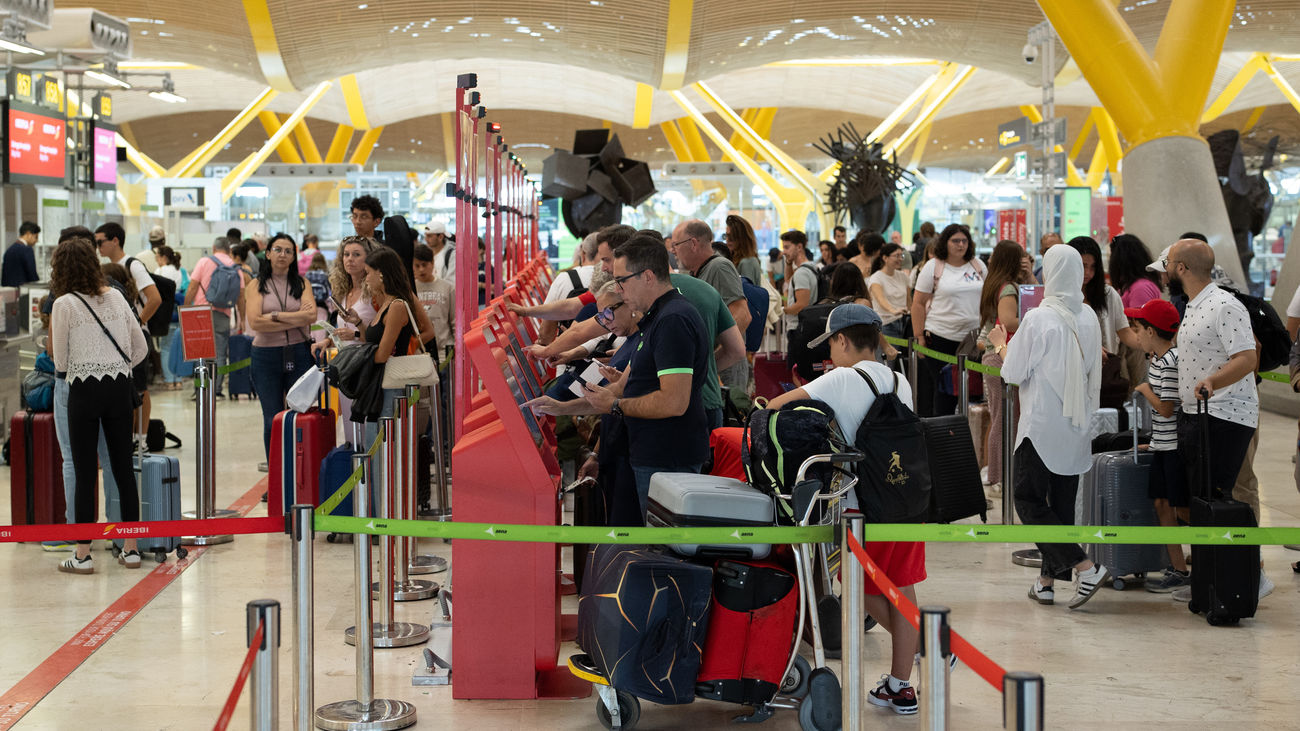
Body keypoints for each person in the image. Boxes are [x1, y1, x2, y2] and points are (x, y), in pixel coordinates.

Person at [767, 304, 925, 715]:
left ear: (841, 340)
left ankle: (927, 645)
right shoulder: (899, 379)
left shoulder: (839, 378)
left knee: (856, 585)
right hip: (905, 501)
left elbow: (774, 406)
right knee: (901, 588)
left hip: (861, 509)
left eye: (831, 344)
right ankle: (901, 683)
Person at [990, 244, 1110, 610]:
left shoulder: (1039, 318)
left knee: (1027, 500)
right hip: (1077, 425)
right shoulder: (1089, 316)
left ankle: (1086, 567)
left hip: (1040, 427)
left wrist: (999, 346)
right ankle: (1046, 582)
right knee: (1059, 506)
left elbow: (1012, 372)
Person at [1164, 238, 1271, 602]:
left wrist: (1213, 381)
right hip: (1199, 414)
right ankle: (1209, 582)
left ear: (1181, 268)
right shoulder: (1196, 305)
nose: (1165, 269)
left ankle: (1243, 578)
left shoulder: (1224, 305)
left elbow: (1246, 357)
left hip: (1225, 414)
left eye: (1168, 263)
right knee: (1202, 501)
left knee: (1222, 499)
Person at [577, 235, 711, 516]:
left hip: (667, 456)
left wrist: (615, 405)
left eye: (622, 280)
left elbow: (674, 401)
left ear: (647, 276)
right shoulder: (656, 317)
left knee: (661, 550)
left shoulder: (672, 320)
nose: (619, 289)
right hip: (654, 452)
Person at [50, 237, 148, 573]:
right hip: (120, 389)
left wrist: (85, 363)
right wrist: (116, 367)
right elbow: (141, 348)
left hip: (83, 391)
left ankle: (82, 555)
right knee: (122, 469)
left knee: (84, 472)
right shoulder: (117, 298)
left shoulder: (63, 304)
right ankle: (131, 549)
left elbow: (60, 361)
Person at [1123, 298, 1189, 593]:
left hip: (1175, 450)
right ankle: (1178, 568)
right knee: (1163, 504)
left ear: (1151, 332)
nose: (1135, 336)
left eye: (1138, 329)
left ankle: (1198, 562)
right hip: (1164, 446)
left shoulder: (1171, 362)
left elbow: (1166, 409)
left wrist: (1145, 389)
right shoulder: (1158, 361)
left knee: (1184, 510)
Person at [246, 234, 317, 463]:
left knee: (300, 414)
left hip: (299, 353)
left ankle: (299, 478)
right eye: (278, 249)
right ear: (268, 254)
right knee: (272, 418)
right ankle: (276, 478)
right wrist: (296, 318)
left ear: (294, 256)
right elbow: (256, 322)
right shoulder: (256, 285)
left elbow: (311, 315)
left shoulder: (302, 283)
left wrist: (275, 316)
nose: (282, 255)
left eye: (288, 251)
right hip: (265, 356)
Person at [95, 222, 160, 448]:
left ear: (115, 241)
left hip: (136, 338)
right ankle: (130, 438)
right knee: (126, 389)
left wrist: (136, 324)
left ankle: (141, 439)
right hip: (117, 340)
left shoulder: (133, 265)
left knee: (140, 388)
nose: (97, 247)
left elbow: (155, 298)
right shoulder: (109, 267)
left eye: (100, 242)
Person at [910, 223, 985, 417]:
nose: (960, 245)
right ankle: (943, 436)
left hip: (973, 339)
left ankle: (969, 436)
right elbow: (918, 303)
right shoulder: (933, 266)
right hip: (941, 336)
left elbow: (988, 297)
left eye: (964, 241)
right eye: (955, 241)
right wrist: (918, 335)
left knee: (974, 392)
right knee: (945, 392)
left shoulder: (977, 265)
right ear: (945, 242)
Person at [977, 241, 1033, 489]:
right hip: (1001, 356)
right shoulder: (1008, 288)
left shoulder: (994, 284)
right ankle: (1000, 476)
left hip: (994, 356)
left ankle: (996, 473)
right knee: (1007, 419)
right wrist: (1037, 322)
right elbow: (1010, 322)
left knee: (1000, 417)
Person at [672, 219, 751, 392]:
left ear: (693, 243)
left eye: (675, 245)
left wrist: (714, 360)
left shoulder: (719, 267)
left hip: (725, 375)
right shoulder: (701, 273)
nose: (673, 251)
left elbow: (742, 314)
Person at [314, 236, 377, 440]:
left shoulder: (375, 292)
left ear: (369, 258)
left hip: (368, 368)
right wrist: (328, 340)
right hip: (346, 367)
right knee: (350, 428)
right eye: (346, 255)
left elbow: (380, 334)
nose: (350, 259)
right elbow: (343, 329)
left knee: (366, 428)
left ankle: (370, 470)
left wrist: (357, 332)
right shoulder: (342, 291)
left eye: (357, 255)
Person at [1068, 236, 1142, 395]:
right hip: (1071, 374)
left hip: (1106, 375)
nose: (1088, 273)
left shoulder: (1108, 294)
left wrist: (1149, 342)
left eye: (1093, 267)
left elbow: (1124, 332)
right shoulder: (1061, 297)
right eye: (1083, 266)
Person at [185, 237, 244, 398]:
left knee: (201, 354)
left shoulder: (204, 262)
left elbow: (192, 286)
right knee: (220, 353)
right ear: (229, 250)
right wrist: (243, 319)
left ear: (213, 248)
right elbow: (241, 297)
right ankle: (216, 390)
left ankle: (201, 389)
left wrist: (186, 308)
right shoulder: (235, 267)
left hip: (201, 313)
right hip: (223, 313)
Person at [539, 232, 598, 343]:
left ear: (583, 254)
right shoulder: (617, 280)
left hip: (569, 351)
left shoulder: (564, 279)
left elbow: (546, 333)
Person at [413, 243, 455, 361]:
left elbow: (454, 320)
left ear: (432, 263)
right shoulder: (410, 289)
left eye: (424, 265)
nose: (421, 269)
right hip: (419, 353)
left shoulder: (448, 288)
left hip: (444, 352)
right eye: (417, 265)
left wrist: (457, 345)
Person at [154, 246, 185, 390]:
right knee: (179, 347)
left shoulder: (160, 271)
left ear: (163, 257)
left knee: (166, 347)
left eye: (157, 257)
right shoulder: (180, 271)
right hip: (180, 312)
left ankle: (168, 380)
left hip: (165, 314)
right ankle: (178, 380)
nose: (156, 260)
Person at [781, 231, 818, 343]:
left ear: (799, 247)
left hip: (799, 329)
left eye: (787, 247)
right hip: (805, 327)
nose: (784, 252)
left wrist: (782, 310)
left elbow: (801, 305)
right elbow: (788, 281)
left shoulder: (801, 273)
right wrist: (788, 263)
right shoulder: (810, 267)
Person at [869, 243, 911, 341]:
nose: (900, 259)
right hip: (885, 324)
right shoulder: (876, 278)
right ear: (885, 258)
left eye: (902, 255)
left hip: (904, 323)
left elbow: (909, 300)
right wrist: (893, 310)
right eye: (897, 255)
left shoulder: (903, 277)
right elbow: (880, 299)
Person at [724, 214, 764, 285]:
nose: (727, 240)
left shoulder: (748, 262)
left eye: (731, 237)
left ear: (741, 238)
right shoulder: (738, 259)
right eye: (726, 235)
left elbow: (748, 293)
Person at [2, 221, 40, 286]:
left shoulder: (9, 250)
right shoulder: (27, 249)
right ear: (28, 234)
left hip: (9, 291)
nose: (37, 240)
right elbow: (32, 273)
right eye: (36, 237)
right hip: (23, 290)